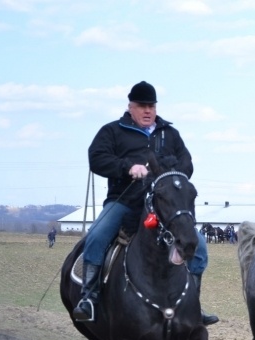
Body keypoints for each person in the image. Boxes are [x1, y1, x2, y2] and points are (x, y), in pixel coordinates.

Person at [72, 81, 218, 326]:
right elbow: (97, 158)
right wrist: (128, 167)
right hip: (125, 201)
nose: (147, 110)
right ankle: (89, 297)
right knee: (96, 237)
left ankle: (192, 305)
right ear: (130, 107)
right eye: (142, 106)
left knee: (199, 246)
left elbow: (186, 163)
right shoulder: (112, 131)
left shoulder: (170, 134)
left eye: (151, 105)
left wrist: (168, 172)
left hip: (164, 207)